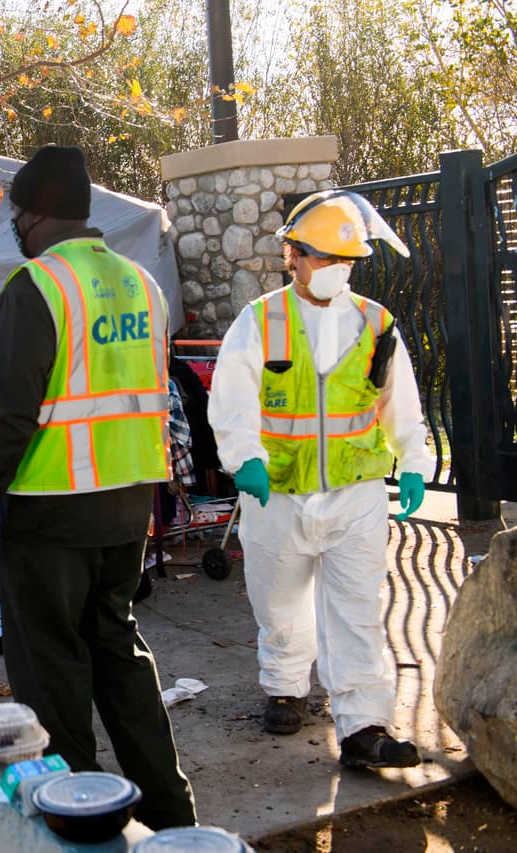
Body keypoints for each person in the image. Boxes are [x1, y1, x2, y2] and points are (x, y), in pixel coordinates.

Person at [0, 145, 197, 830]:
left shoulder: (35, 286)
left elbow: (10, 415)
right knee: (119, 652)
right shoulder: (143, 286)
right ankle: (172, 816)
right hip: (129, 508)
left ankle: (79, 823)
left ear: (36, 215)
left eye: (16, 215)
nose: (15, 227)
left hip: (49, 511)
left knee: (52, 672)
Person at [208, 189, 431, 769]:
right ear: (294, 255)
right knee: (279, 604)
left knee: (356, 611)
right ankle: (286, 688)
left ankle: (364, 725)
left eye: (346, 260)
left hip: (356, 494)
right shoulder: (259, 321)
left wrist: (412, 460)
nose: (337, 269)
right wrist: (244, 457)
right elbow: (231, 398)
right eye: (325, 257)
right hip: (278, 492)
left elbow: (398, 400)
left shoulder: (376, 322)